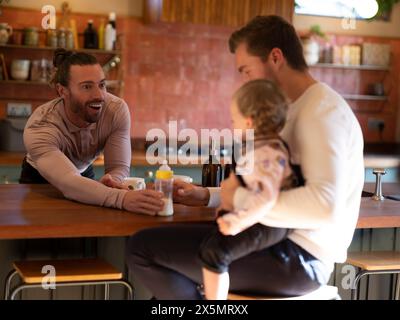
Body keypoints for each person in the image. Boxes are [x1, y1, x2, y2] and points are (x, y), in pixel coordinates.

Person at [126, 15, 364, 299]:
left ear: (275, 57)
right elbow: (273, 187)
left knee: (143, 249)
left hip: (299, 258)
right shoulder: (293, 110)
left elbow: (325, 206)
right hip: (281, 245)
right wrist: (207, 196)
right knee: (169, 274)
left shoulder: (322, 112)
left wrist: (237, 200)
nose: (245, 81)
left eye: (246, 70)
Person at [21, 49, 163, 215]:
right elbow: (69, 182)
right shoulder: (41, 125)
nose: (99, 96)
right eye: (87, 86)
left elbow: (118, 167)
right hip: (40, 179)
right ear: (62, 91)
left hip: (83, 172)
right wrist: (121, 198)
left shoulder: (115, 110)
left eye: (102, 85)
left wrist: (113, 182)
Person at [200, 79, 301, 300]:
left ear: (248, 122)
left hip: (269, 224)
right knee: (209, 243)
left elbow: (265, 198)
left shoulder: (265, 154)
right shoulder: (261, 146)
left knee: (214, 253)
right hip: (260, 219)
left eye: (233, 119)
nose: (231, 125)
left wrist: (237, 222)